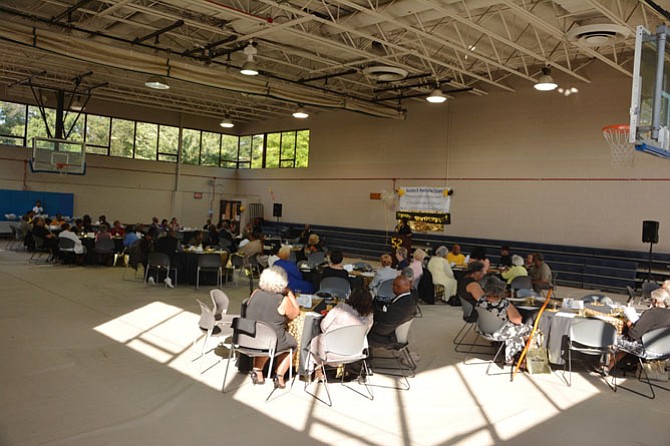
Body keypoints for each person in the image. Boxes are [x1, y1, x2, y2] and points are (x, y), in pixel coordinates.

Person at [245, 266, 300, 389]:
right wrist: (290, 293)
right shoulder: (283, 300)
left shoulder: (255, 293)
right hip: (273, 340)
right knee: (293, 345)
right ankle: (279, 376)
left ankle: (257, 371)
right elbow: (296, 313)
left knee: (264, 338)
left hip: (251, 336)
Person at [308, 286, 374, 378]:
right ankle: (321, 369)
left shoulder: (341, 308)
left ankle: (312, 371)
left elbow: (323, 326)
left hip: (331, 351)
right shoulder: (369, 315)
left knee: (314, 341)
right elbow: (365, 332)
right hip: (355, 352)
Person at [605, 288, 670, 374]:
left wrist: (629, 324)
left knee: (614, 338)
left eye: (651, 300)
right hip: (665, 352)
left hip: (645, 349)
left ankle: (605, 364)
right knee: (627, 341)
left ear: (655, 301)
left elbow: (633, 335)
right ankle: (612, 365)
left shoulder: (651, 313)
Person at [477, 275, 531, 365]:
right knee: (529, 330)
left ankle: (512, 355)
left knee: (514, 329)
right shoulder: (504, 303)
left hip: (483, 331)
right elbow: (518, 320)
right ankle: (521, 358)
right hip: (498, 333)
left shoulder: (480, 300)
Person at [367, 275, 416, 346]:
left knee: (360, 333)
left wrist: (368, 326)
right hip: (391, 328)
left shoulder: (400, 307)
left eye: (393, 285)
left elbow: (383, 329)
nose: (392, 288)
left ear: (397, 287)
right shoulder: (408, 299)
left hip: (389, 337)